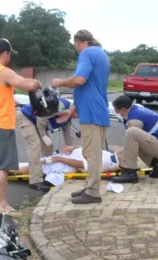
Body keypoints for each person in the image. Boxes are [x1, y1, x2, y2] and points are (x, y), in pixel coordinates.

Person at [0, 38, 41, 216]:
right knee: (3, 167)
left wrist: (3, 101)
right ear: (5, 53)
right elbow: (27, 84)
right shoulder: (3, 72)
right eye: (9, 54)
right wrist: (37, 84)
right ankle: (3, 205)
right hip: (2, 125)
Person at [52, 30, 110, 204]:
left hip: (92, 113)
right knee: (91, 153)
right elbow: (89, 86)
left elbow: (79, 80)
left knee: (91, 154)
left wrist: (59, 82)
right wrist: (70, 112)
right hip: (97, 111)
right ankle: (90, 186)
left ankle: (93, 192)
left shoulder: (86, 53)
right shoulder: (100, 53)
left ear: (78, 42)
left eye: (75, 44)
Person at [110, 95, 158, 183]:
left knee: (131, 132)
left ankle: (130, 172)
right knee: (134, 141)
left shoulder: (134, 120)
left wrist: (115, 157)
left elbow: (130, 145)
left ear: (123, 109)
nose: (118, 115)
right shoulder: (136, 109)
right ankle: (157, 164)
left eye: (117, 112)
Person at [17, 95, 74, 193]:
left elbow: (68, 135)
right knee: (35, 144)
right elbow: (40, 120)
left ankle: (47, 171)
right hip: (26, 117)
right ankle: (35, 181)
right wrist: (43, 136)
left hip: (39, 121)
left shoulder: (68, 114)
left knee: (48, 145)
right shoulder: (57, 107)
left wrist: (72, 149)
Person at [13, 145, 121, 176]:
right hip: (67, 158)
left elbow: (81, 164)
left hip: (66, 163)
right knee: (37, 163)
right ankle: (6, 169)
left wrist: (59, 158)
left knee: (37, 166)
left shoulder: (107, 162)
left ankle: (7, 171)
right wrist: (73, 147)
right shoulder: (109, 155)